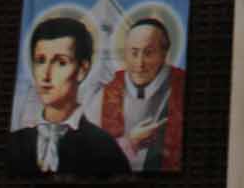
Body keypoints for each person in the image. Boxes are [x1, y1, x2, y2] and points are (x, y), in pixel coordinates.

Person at [12, 16, 127, 178]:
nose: (46, 75)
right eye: (40, 61)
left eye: (61, 62)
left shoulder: (103, 146)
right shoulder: (15, 143)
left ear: (82, 69)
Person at [99, 15, 185, 175]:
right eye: (134, 53)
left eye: (148, 53)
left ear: (164, 54)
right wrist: (131, 141)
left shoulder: (182, 86)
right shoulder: (108, 91)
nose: (139, 63)